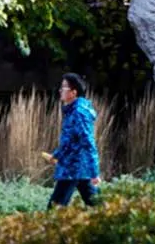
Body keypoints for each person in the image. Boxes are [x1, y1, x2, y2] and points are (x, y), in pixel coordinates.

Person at [45, 73, 101, 208]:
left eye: (64, 87)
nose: (60, 90)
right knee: (96, 204)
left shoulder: (79, 112)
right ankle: (113, 224)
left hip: (72, 168)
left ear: (73, 92)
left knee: (54, 208)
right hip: (77, 167)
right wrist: (56, 155)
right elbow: (69, 142)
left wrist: (95, 172)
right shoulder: (72, 111)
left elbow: (88, 142)